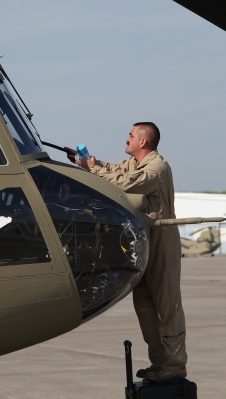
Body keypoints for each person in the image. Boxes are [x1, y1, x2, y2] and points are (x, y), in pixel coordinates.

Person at [76, 122, 187, 381]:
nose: (126, 139)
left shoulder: (156, 167)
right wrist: (90, 163)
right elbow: (115, 170)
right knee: (146, 305)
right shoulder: (135, 164)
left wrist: (93, 169)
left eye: (130, 135)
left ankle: (175, 366)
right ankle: (160, 364)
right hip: (143, 238)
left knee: (166, 305)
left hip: (161, 238)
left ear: (143, 142)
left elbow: (125, 183)